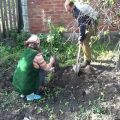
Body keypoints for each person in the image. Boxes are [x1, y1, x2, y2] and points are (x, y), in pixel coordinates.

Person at [12, 35, 55, 101]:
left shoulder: (25, 52)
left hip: (18, 83)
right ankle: (30, 96)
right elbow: (46, 68)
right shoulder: (37, 55)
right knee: (42, 71)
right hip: (27, 84)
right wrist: (51, 62)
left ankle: (23, 94)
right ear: (37, 44)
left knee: (29, 72)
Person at [64, 0, 99, 71]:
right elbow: (81, 22)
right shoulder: (75, 7)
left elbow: (82, 25)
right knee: (83, 40)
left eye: (68, 9)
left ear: (72, 6)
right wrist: (81, 36)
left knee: (84, 41)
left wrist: (81, 37)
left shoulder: (78, 11)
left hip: (93, 23)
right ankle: (87, 59)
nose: (68, 11)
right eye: (66, 10)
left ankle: (87, 62)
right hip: (88, 22)